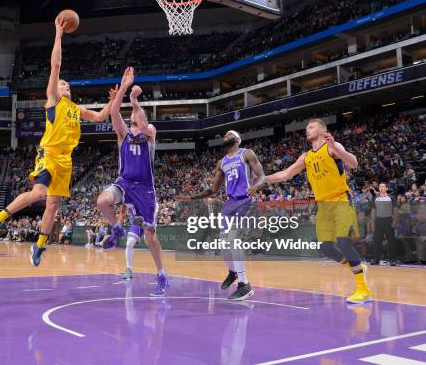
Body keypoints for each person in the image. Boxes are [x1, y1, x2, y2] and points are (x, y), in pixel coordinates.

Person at [0, 16, 120, 267]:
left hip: (65, 160)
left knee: (53, 204)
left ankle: (39, 247)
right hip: (49, 152)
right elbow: (55, 65)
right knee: (39, 193)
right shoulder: (54, 100)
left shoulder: (77, 109)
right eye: (62, 83)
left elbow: (101, 116)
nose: (65, 84)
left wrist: (113, 99)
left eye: (68, 83)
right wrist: (58, 35)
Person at [265, 119, 372, 304]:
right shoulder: (305, 156)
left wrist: (336, 148)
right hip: (323, 205)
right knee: (326, 248)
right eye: (306, 128)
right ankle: (358, 267)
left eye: (311, 127)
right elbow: (286, 174)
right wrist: (263, 180)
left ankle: (363, 289)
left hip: (340, 200)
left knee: (344, 242)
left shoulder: (332, 146)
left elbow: (353, 163)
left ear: (323, 130)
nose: (307, 130)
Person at [96, 71, 170, 297]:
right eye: (134, 114)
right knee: (102, 201)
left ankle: (162, 275)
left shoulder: (150, 132)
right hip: (125, 183)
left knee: (150, 236)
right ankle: (116, 229)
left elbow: (145, 124)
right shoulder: (123, 135)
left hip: (146, 190)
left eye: (139, 114)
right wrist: (125, 88)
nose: (136, 116)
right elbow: (115, 111)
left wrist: (135, 101)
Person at [178, 130, 265, 300]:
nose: (225, 135)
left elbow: (262, 176)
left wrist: (255, 186)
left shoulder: (246, 153)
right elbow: (213, 190)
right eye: (224, 135)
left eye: (229, 134)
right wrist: (191, 196)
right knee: (224, 245)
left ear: (237, 139)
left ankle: (244, 285)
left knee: (233, 240)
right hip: (229, 204)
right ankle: (233, 272)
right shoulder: (221, 162)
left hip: (244, 201)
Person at [371, 183, 396, 266]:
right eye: (380, 186)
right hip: (378, 221)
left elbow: (395, 210)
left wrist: (395, 221)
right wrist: (372, 222)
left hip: (388, 220)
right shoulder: (375, 198)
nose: (381, 188)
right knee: (376, 241)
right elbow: (373, 210)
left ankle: (392, 259)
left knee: (391, 241)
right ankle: (376, 259)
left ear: (386, 188)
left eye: (383, 186)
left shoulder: (391, 198)